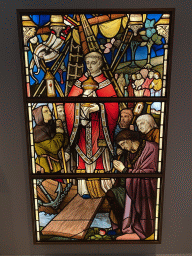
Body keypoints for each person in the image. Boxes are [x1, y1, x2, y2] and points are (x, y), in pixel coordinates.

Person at [64, 51, 119, 198]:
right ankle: (84, 191)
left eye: (93, 63)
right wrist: (79, 109)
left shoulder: (106, 83)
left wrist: (100, 108)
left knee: (99, 160)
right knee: (82, 160)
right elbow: (68, 105)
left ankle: (101, 191)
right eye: (87, 63)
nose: (89, 66)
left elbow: (114, 109)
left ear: (100, 63)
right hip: (82, 130)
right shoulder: (79, 83)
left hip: (99, 129)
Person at [106, 130, 158, 240]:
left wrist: (124, 170)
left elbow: (149, 173)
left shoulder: (151, 148)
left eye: (123, 144)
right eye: (121, 145)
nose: (123, 147)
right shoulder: (129, 153)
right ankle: (122, 226)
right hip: (132, 187)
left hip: (146, 189)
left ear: (131, 139)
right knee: (111, 194)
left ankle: (141, 229)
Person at [32, 105, 68, 174]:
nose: (50, 113)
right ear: (40, 115)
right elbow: (53, 148)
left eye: (49, 110)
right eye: (46, 111)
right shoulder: (38, 131)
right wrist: (59, 132)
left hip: (55, 165)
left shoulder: (50, 127)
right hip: (45, 167)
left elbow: (64, 142)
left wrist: (60, 128)